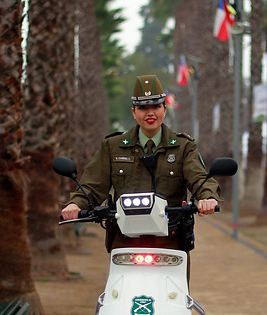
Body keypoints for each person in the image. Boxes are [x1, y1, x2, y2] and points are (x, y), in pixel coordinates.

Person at [61, 74, 222, 252]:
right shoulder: (112, 147)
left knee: (176, 281)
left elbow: (199, 176)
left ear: (164, 109)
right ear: (134, 112)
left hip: (170, 240)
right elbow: (92, 185)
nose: (150, 113)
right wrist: (76, 204)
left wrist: (207, 197)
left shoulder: (183, 147)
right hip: (125, 241)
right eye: (143, 107)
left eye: (156, 106)